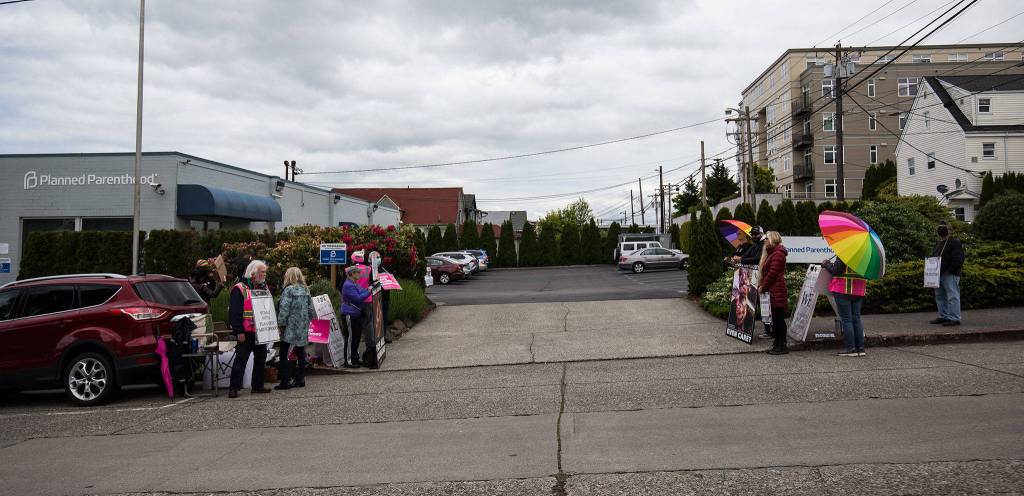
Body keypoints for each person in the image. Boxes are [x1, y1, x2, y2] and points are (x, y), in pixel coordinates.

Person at [227, 260, 272, 398]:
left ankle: (257, 386)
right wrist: (238, 331)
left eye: (264, 272)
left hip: (260, 331)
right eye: (261, 273)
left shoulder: (264, 287)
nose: (264, 275)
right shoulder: (239, 289)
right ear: (253, 274)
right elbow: (234, 312)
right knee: (241, 360)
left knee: (260, 359)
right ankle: (234, 388)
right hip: (245, 332)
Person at [275, 267, 316, 390]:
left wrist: (281, 324)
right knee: (300, 352)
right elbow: (310, 309)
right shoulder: (305, 290)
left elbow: (284, 309)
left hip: (290, 326)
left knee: (284, 352)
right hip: (302, 325)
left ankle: (285, 381)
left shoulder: (288, 290)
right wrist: (309, 322)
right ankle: (300, 378)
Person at [823, 257, 867, 357]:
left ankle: (851, 348)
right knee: (856, 319)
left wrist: (826, 264)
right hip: (859, 290)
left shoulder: (846, 253)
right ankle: (860, 348)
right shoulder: (864, 255)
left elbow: (836, 270)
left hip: (843, 289)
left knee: (847, 320)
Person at [758, 231, 789, 355]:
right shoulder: (772, 253)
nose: (763, 240)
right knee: (776, 319)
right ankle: (778, 343)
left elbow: (772, 274)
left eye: (765, 238)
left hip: (776, 291)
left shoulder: (778, 254)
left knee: (778, 319)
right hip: (773, 290)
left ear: (772, 239)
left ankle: (781, 345)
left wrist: (763, 287)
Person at [931, 223, 965, 327]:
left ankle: (954, 318)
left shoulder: (954, 242)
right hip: (938, 274)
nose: (941, 230)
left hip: (949, 274)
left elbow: (958, 259)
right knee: (940, 296)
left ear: (949, 230)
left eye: (943, 228)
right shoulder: (939, 243)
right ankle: (943, 315)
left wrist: (950, 270)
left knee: (952, 296)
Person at [340, 265, 372, 369]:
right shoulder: (348, 285)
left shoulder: (354, 283)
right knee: (350, 338)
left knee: (356, 337)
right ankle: (348, 361)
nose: (360, 274)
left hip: (355, 314)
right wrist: (369, 291)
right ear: (352, 274)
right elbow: (358, 298)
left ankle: (354, 358)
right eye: (358, 272)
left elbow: (362, 291)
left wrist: (369, 288)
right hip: (349, 314)